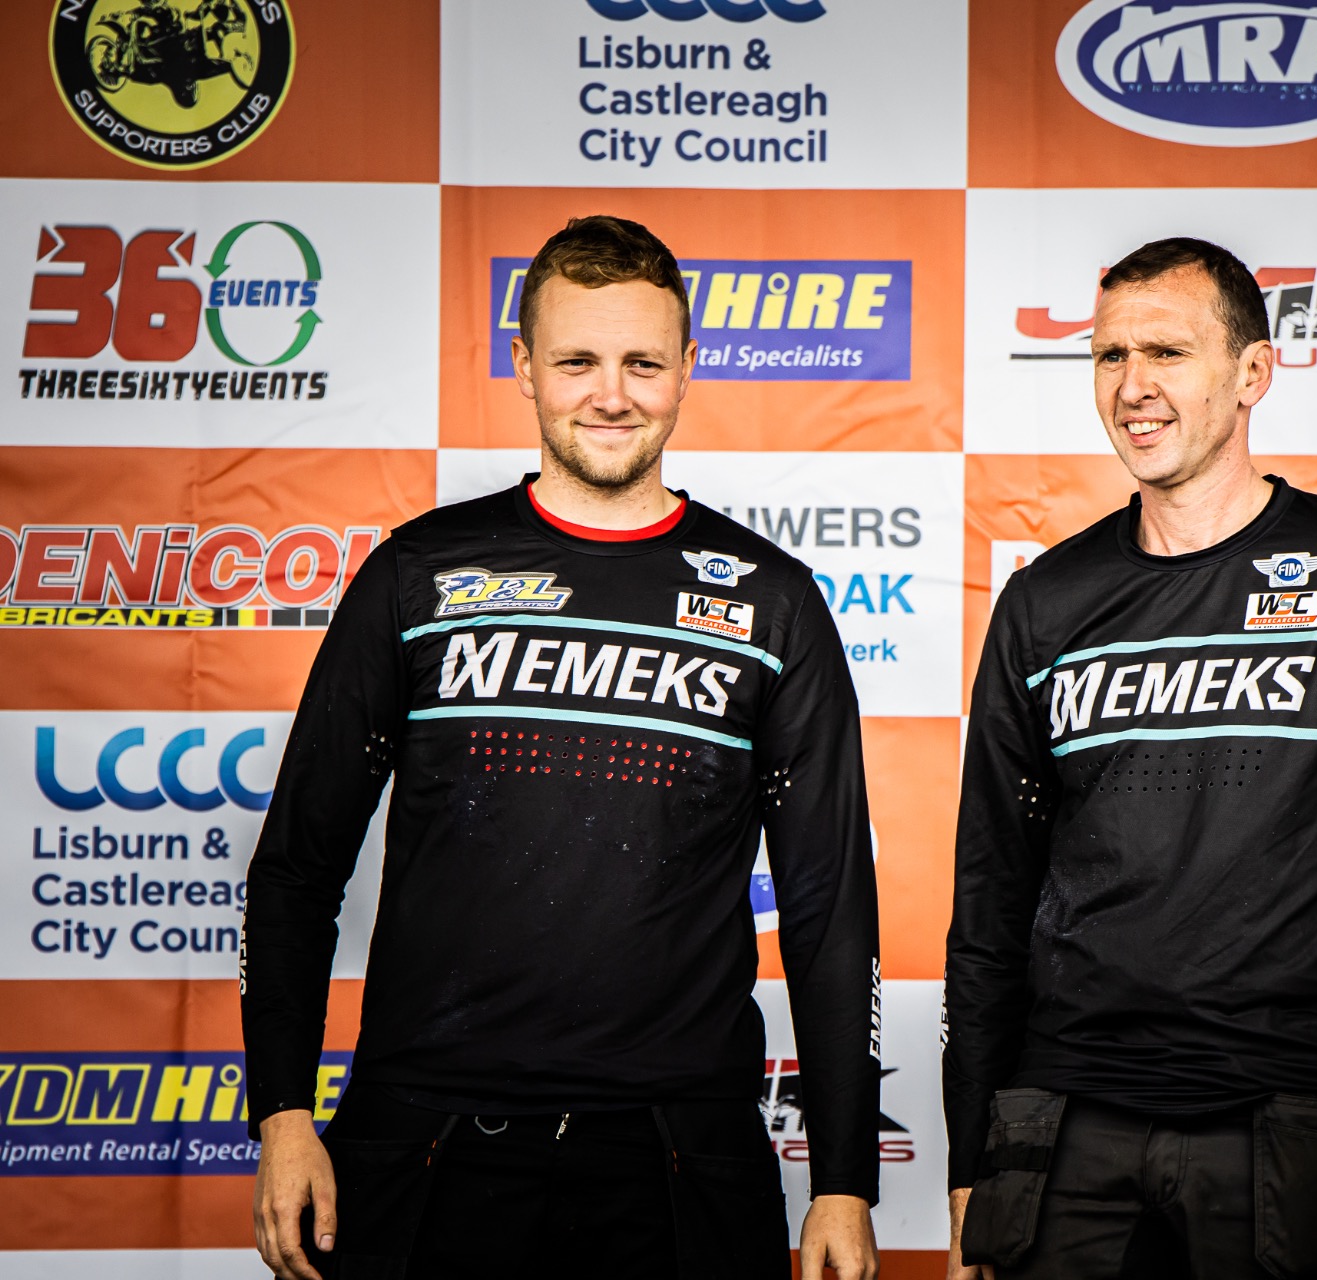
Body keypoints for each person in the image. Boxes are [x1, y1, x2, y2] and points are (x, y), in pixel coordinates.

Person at [243, 214, 881, 1280]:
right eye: (578, 360)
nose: (611, 394)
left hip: (679, 1154)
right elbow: (298, 864)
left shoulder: (774, 601)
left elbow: (829, 909)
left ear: (687, 368)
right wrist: (282, 1113)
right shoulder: (418, 574)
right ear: (525, 365)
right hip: (426, 1139)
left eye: (643, 363)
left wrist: (845, 1180)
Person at [943, 238, 1317, 1280]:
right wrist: (973, 1159)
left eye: (1168, 353)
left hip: (1292, 1115)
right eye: (1110, 355)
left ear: (1253, 373)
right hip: (1066, 1122)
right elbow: (990, 897)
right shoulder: (1044, 601)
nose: (1132, 385)